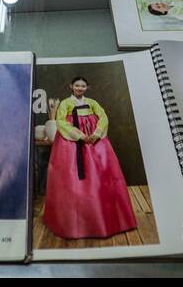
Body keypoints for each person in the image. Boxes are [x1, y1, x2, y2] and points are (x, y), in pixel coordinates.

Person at [42, 76, 137, 240]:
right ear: (71, 86)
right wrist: (79, 136)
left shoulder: (93, 103)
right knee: (72, 180)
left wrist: (96, 134)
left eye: (83, 86)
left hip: (95, 142)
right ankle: (74, 221)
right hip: (72, 145)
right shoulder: (65, 104)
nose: (79, 88)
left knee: (100, 178)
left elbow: (104, 117)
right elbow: (61, 122)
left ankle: (104, 217)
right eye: (77, 85)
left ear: (87, 87)